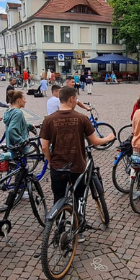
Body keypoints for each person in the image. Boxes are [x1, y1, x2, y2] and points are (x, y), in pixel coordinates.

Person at [40, 87, 115, 242]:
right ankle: (78, 229)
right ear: (71, 99)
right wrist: (108, 138)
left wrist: (50, 162)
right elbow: (94, 141)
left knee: (58, 198)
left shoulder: (49, 120)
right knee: (79, 197)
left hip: (57, 167)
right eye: (76, 98)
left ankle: (59, 229)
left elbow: (44, 147)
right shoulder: (81, 118)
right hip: (77, 166)